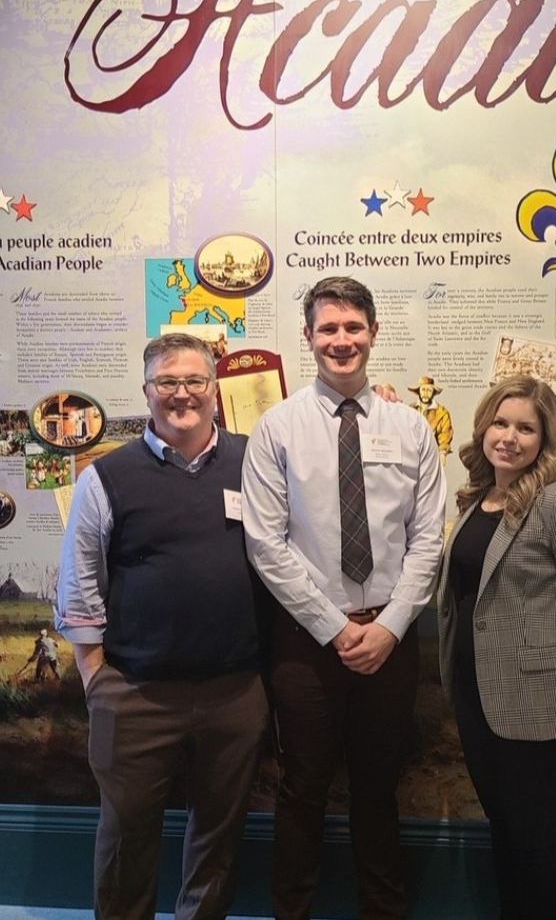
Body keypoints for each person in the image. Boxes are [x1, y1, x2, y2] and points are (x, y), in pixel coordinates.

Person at [242, 276, 446, 920]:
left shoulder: (411, 429)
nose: (341, 340)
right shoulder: (276, 429)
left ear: (374, 334)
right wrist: (335, 628)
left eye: (353, 327)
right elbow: (265, 544)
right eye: (328, 329)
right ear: (308, 338)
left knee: (379, 789)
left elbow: (428, 541)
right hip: (306, 643)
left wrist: (386, 628)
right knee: (302, 789)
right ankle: (292, 911)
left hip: (391, 640)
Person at [56, 333, 269, 920]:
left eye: (195, 381)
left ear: (214, 388)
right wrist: (95, 675)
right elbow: (80, 579)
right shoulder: (107, 476)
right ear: (147, 391)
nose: (182, 394)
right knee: (126, 839)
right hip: (135, 692)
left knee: (217, 840)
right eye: (167, 383)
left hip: (235, 691)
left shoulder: (256, 460)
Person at [436, 375, 556, 920]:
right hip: (476, 695)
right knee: (506, 833)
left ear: (544, 439)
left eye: (526, 428)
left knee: (533, 843)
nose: (510, 437)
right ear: (484, 428)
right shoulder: (478, 499)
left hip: (540, 703)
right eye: (501, 423)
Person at [407, 374, 454, 463]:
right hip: (411, 456)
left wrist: (442, 454)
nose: (425, 393)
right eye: (423, 390)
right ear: (419, 391)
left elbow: (445, 435)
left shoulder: (442, 413)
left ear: (433, 393)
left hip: (431, 457)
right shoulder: (409, 410)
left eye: (429, 390)